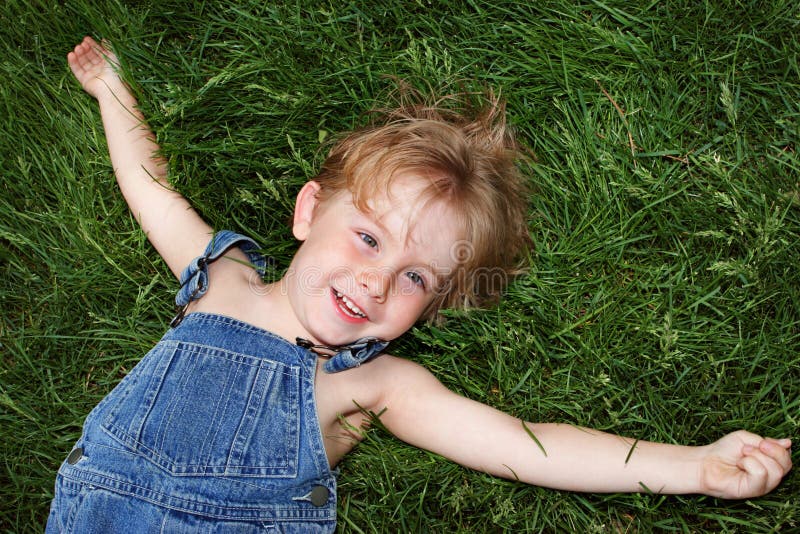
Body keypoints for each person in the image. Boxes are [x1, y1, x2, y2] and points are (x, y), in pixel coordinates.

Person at [48, 36, 792, 533]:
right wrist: (111, 90)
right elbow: (153, 193)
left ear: (433, 304)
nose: (374, 281)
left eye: (414, 276)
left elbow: (524, 447)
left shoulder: (370, 386)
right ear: (309, 210)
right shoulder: (221, 279)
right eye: (368, 237)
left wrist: (695, 465)